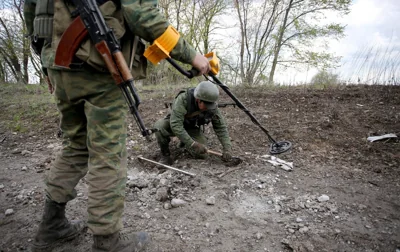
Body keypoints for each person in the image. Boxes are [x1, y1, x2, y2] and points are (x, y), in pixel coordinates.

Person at [23, 0, 211, 251]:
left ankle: (51, 226)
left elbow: (32, 13)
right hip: (98, 65)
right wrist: (192, 55)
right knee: (108, 153)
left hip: (58, 65)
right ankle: (107, 242)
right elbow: (141, 14)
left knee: (76, 146)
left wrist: (45, 65)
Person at [154, 81, 233, 165]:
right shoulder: (183, 98)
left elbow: (220, 127)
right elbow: (176, 125)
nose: (208, 108)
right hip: (174, 124)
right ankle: (166, 155)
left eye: (210, 105)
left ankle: (183, 142)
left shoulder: (212, 106)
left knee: (202, 155)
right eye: (206, 105)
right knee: (159, 126)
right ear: (198, 100)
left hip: (191, 127)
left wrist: (227, 148)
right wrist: (193, 144)